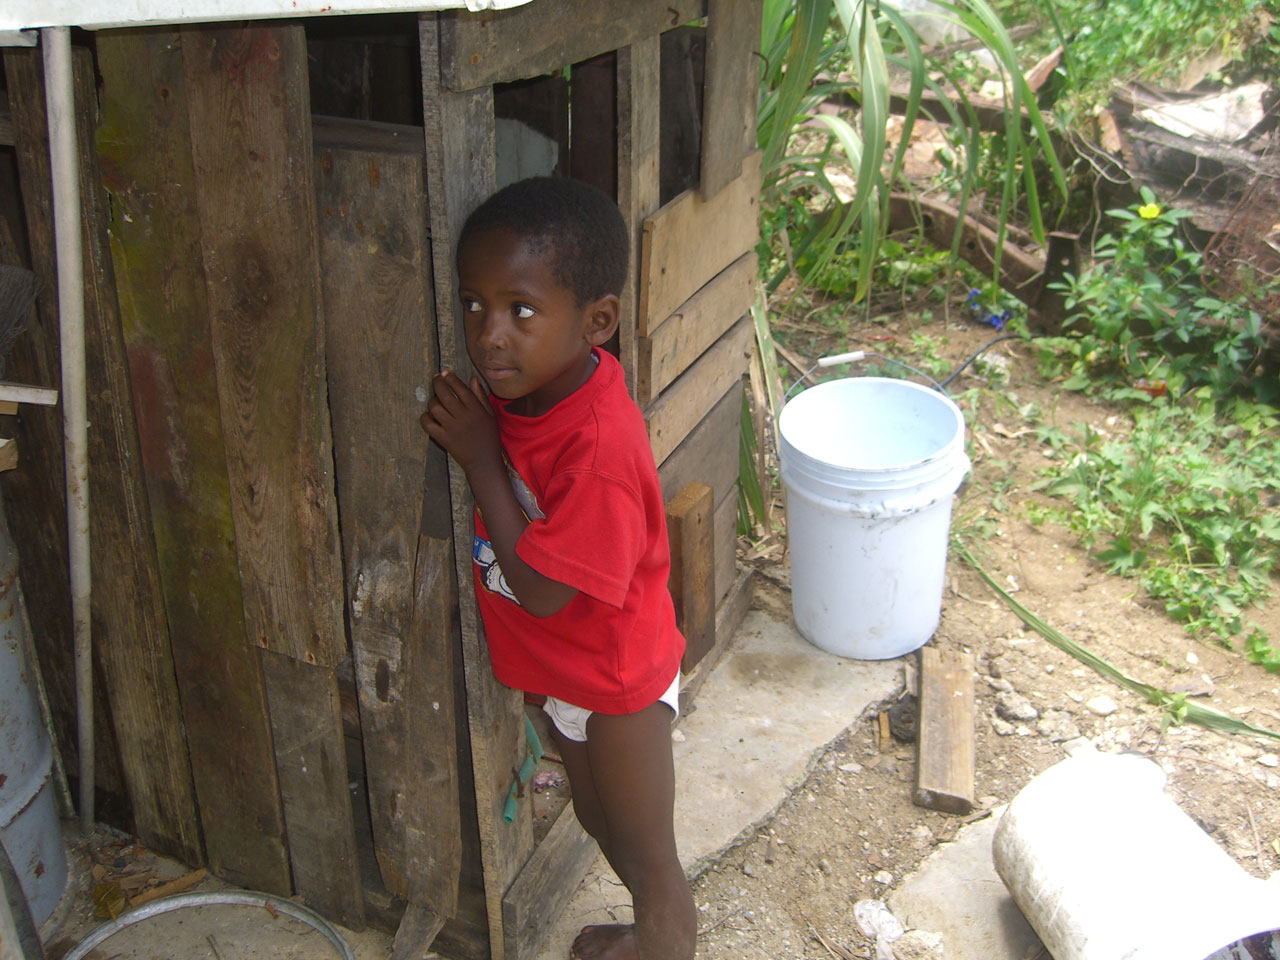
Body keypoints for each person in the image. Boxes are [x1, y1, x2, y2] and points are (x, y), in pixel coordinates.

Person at [420, 176, 696, 960]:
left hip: (618, 683)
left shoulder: (600, 447)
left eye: (521, 311)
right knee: (597, 818)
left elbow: (543, 590)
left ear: (596, 322)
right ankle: (646, 935)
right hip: (569, 675)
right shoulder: (532, 388)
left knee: (653, 861)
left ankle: (664, 938)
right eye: (474, 303)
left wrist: (478, 458)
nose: (488, 334)